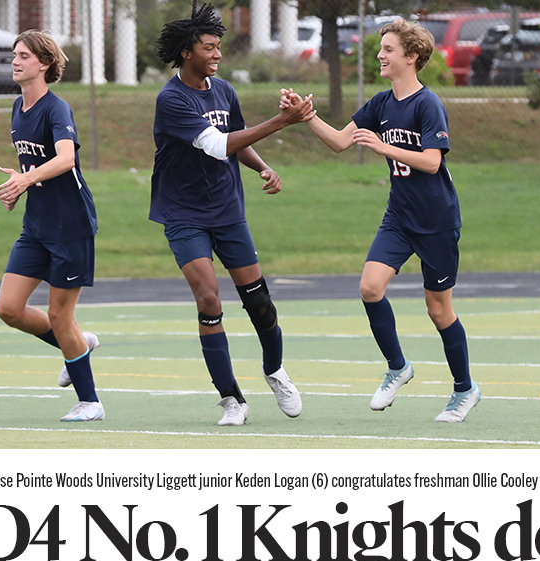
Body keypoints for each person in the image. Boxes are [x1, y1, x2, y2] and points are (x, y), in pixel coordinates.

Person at [285, 18, 480, 423]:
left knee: (438, 311)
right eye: (381, 49)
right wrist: (307, 117)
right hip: (400, 217)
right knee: (370, 287)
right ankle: (398, 367)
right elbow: (341, 141)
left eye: (388, 49)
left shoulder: (427, 104)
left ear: (411, 57)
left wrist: (385, 147)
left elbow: (431, 161)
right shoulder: (380, 103)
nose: (380, 55)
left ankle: (464, 390)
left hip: (437, 220)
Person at [151, 3, 314, 426]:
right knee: (208, 298)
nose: (217, 53)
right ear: (188, 52)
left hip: (226, 210)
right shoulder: (171, 99)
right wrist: (282, 121)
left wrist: (263, 167)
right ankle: (231, 398)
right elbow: (217, 144)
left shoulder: (223, 90)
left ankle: (275, 371)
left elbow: (236, 141)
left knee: (258, 302)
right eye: (208, 47)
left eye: (218, 46)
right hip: (184, 214)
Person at [0, 29, 103, 422]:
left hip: (70, 226)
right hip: (36, 226)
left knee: (60, 315)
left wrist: (25, 179)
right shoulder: (16, 109)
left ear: (44, 64)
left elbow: (65, 160)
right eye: (14, 54)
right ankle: (77, 343)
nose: (15, 61)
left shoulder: (57, 109)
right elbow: (34, 169)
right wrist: (19, 186)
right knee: (8, 307)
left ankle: (90, 402)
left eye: (24, 55)